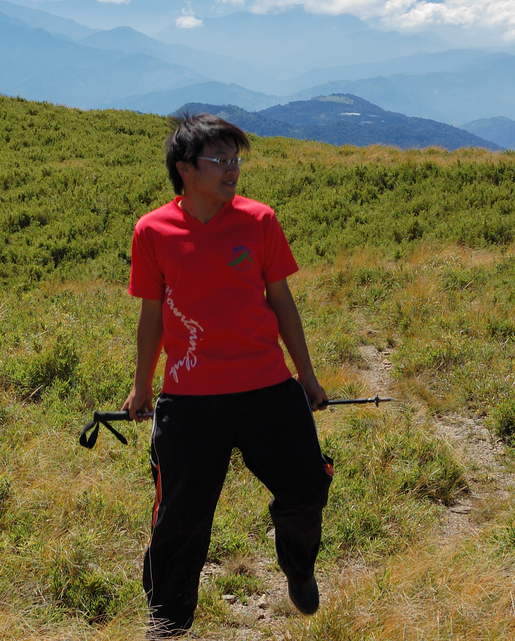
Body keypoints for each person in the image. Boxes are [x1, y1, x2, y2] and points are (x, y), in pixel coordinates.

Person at [121, 113, 333, 638]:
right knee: (179, 521)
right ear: (185, 168)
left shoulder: (260, 221)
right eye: (220, 159)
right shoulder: (153, 230)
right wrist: (142, 385)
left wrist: (305, 375)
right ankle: (168, 623)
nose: (232, 169)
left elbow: (281, 301)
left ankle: (299, 568)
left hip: (267, 386)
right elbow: (152, 314)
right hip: (191, 401)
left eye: (236, 158)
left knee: (307, 487)